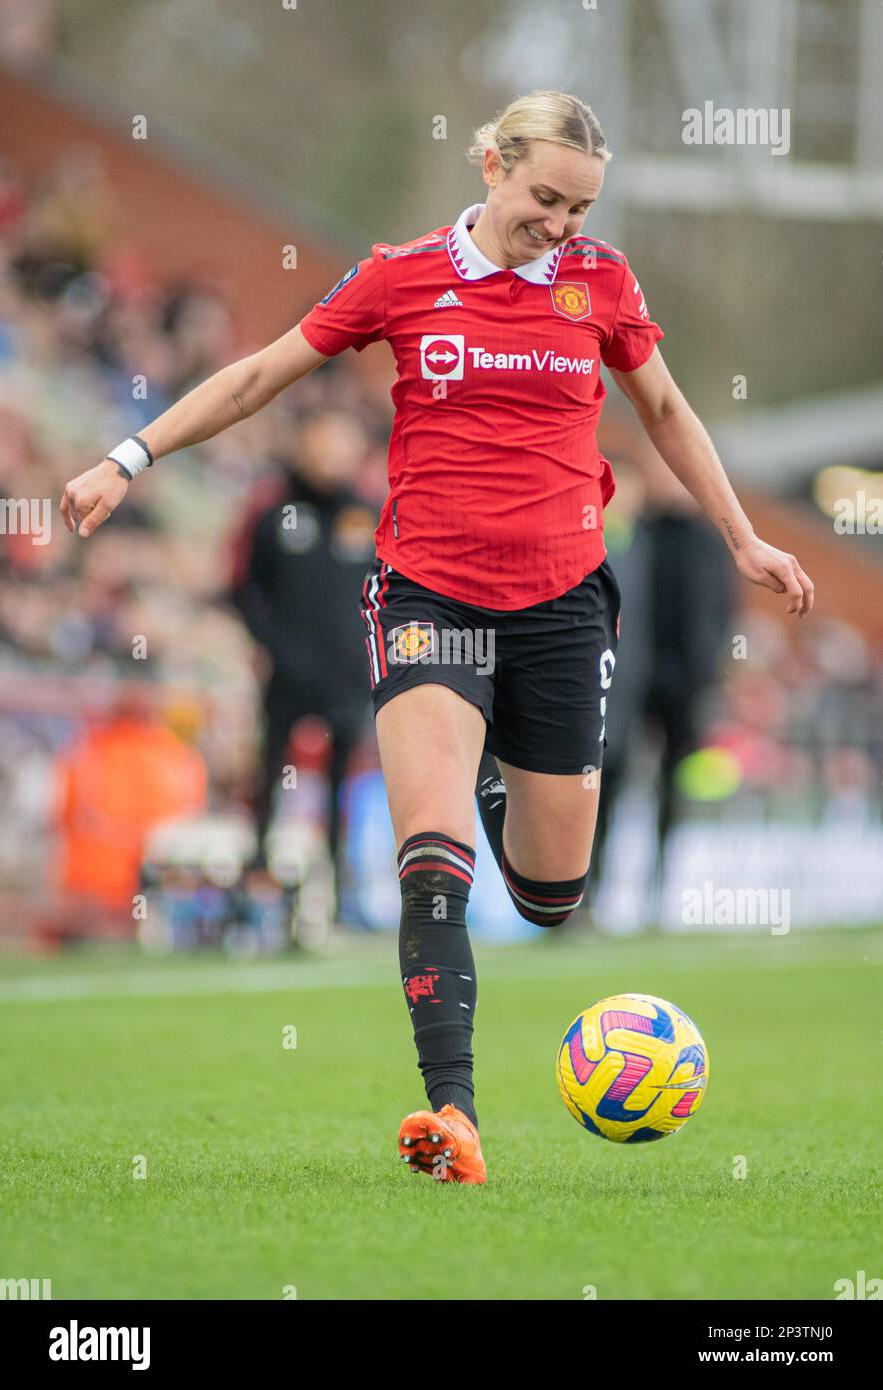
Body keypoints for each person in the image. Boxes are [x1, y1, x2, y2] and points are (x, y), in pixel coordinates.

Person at [60, 90, 814, 1185]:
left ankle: (508, 775)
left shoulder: (598, 282)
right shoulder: (399, 274)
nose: (560, 224)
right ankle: (451, 1114)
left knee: (552, 897)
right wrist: (127, 457)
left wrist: (740, 537)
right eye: (544, 198)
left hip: (560, 605)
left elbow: (663, 411)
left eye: (580, 206)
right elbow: (261, 374)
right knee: (430, 858)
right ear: (491, 167)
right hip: (430, 599)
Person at [228, 405, 377, 911]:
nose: (332, 455)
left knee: (342, 782)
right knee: (269, 774)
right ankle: (257, 882)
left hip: (347, 677)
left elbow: (390, 593)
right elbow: (244, 591)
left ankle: (337, 891)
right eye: (323, 442)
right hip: (286, 678)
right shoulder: (274, 514)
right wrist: (275, 647)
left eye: (342, 444)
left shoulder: (369, 515)